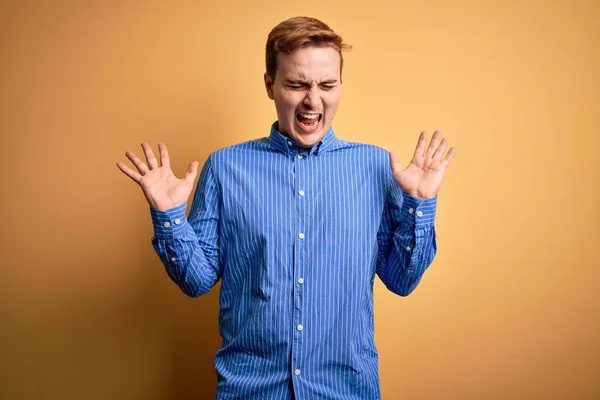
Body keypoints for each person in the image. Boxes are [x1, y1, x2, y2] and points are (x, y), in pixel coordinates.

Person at [116, 16, 456, 400]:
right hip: (250, 390)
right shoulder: (226, 168)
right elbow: (196, 282)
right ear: (269, 85)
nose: (314, 100)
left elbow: (402, 281)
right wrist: (170, 218)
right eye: (297, 84)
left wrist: (419, 205)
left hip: (344, 391)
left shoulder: (377, 169)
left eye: (327, 84)